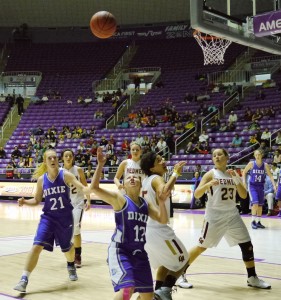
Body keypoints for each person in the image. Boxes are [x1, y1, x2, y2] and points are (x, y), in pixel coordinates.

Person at [182, 148, 271, 289]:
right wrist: (207, 184)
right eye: (214, 155)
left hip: (232, 215)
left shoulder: (232, 173)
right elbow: (198, 194)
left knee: (246, 244)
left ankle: (252, 277)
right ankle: (180, 273)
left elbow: (243, 195)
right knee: (201, 247)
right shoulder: (210, 174)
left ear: (227, 157)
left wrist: (236, 179)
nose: (217, 157)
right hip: (214, 216)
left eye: (220, 154)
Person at [91, 147, 170, 300]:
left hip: (140, 253)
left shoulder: (146, 204)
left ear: (141, 185)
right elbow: (94, 188)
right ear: (124, 186)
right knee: (128, 289)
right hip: (121, 250)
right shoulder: (119, 199)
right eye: (128, 178)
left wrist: (161, 202)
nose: (132, 178)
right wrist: (100, 165)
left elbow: (162, 219)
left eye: (135, 178)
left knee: (148, 296)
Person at [14, 149, 92, 293]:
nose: (53, 160)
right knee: (36, 246)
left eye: (55, 158)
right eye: (49, 158)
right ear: (45, 161)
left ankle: (70, 264)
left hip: (65, 218)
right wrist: (25, 201)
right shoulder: (41, 180)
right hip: (48, 218)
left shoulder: (66, 175)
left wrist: (94, 189)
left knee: (67, 249)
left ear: (57, 160)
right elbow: (37, 200)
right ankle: (24, 279)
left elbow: (83, 188)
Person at [140, 152, 193, 299]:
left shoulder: (146, 180)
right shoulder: (156, 179)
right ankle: (164, 290)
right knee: (184, 260)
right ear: (151, 168)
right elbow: (164, 191)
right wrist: (175, 174)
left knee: (165, 263)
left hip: (147, 230)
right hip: (159, 229)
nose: (163, 161)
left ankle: (156, 295)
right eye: (158, 160)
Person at [61, 149, 91, 268]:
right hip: (65, 204)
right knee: (67, 231)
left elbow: (84, 185)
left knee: (76, 228)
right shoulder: (60, 172)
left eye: (70, 156)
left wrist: (88, 199)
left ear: (73, 157)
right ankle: (71, 253)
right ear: (63, 158)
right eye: (66, 156)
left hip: (77, 203)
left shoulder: (78, 170)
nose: (68, 158)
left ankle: (77, 256)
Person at [242, 149, 276, 229]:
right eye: (256, 155)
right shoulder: (251, 164)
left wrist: (274, 185)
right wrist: (244, 182)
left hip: (261, 186)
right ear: (254, 156)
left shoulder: (265, 165)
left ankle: (258, 222)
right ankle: (253, 221)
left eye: (259, 154)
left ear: (261, 155)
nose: (257, 156)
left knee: (260, 205)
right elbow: (244, 172)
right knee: (255, 203)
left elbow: (270, 176)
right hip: (253, 186)